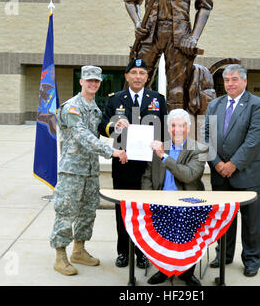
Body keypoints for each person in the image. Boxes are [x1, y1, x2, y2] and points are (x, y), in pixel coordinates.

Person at [50, 65, 127, 276]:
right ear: (81, 81)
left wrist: (117, 127)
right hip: (72, 171)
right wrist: (110, 151)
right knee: (66, 211)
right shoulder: (71, 107)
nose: (93, 83)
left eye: (96, 81)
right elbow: (81, 135)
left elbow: (102, 129)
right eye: (89, 80)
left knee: (87, 212)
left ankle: (79, 250)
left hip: (90, 171)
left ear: (99, 83)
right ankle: (60, 255)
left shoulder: (94, 108)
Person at [98, 58, 167, 269]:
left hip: (148, 166)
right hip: (123, 162)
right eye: (134, 72)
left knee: (145, 211)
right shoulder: (115, 99)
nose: (138, 76)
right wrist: (115, 126)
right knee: (123, 210)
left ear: (148, 77)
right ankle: (123, 252)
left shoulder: (157, 99)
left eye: (142, 73)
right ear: (127, 76)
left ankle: (143, 253)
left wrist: (160, 142)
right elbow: (102, 126)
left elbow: (164, 129)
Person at [203, 64, 260, 277]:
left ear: (244, 81)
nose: (230, 84)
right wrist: (217, 163)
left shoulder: (257, 105)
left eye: (234, 79)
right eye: (227, 80)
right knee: (224, 220)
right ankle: (223, 254)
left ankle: (252, 260)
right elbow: (206, 136)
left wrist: (232, 165)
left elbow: (255, 140)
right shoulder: (215, 105)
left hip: (249, 174)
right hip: (220, 174)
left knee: (253, 222)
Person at [141, 108, 208, 286]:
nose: (177, 130)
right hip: (161, 200)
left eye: (182, 126)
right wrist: (149, 200)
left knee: (187, 231)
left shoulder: (199, 149)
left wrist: (164, 156)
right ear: (168, 128)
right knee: (159, 231)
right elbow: (147, 176)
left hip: (188, 201)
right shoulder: (161, 146)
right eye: (173, 125)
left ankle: (187, 273)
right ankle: (164, 270)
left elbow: (188, 175)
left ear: (188, 127)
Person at [124, 0, 213, 111]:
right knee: (136, 83)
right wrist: (137, 22)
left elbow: (205, 3)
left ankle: (175, 128)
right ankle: (132, 124)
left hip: (180, 36)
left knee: (177, 91)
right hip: (149, 34)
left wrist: (194, 37)